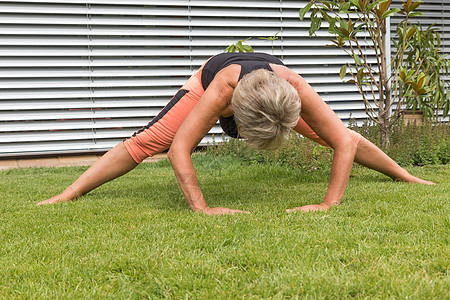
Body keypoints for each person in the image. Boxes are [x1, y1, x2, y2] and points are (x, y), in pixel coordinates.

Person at [37, 52, 435, 213]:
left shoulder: (293, 86)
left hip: (268, 97)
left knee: (333, 134)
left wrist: (329, 204)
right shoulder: (221, 89)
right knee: (151, 140)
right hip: (211, 81)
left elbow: (344, 142)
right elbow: (180, 150)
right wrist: (202, 208)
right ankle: (67, 192)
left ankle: (405, 174)